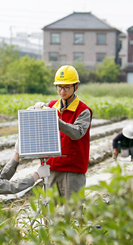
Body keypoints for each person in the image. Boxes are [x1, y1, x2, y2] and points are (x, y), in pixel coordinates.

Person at [28, 65, 92, 199]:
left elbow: (77, 133)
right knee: (49, 213)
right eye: (59, 87)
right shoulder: (51, 106)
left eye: (66, 87)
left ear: (76, 87)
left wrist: (57, 121)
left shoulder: (83, 111)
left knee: (73, 211)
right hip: (51, 167)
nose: (62, 91)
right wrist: (35, 109)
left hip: (72, 169)